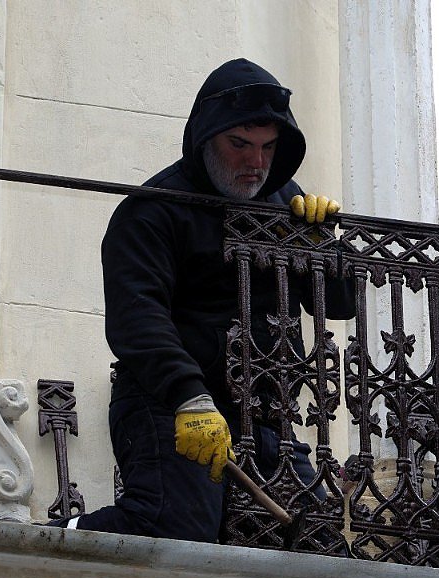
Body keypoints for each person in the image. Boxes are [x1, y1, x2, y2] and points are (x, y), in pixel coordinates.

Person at [58, 58, 355, 542]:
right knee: (174, 525)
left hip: (265, 420)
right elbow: (138, 318)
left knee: (320, 545)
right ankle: (54, 537)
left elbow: (340, 305)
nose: (255, 162)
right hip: (169, 405)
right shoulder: (152, 210)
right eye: (239, 144)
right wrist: (188, 396)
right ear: (205, 138)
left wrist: (325, 248)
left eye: (267, 147)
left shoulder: (286, 204)